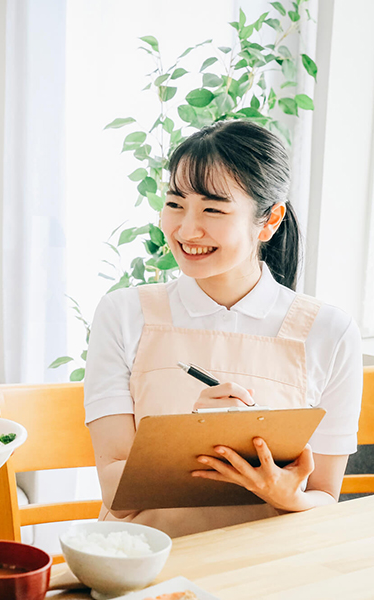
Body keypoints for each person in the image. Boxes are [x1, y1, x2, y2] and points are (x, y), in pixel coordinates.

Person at [84, 120, 362, 538]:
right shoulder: (123, 313)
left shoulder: (330, 332)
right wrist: (195, 436)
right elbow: (116, 494)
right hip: (145, 557)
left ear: (270, 220)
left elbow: (324, 496)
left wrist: (286, 495)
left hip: (265, 564)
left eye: (212, 209)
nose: (186, 229)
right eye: (175, 203)